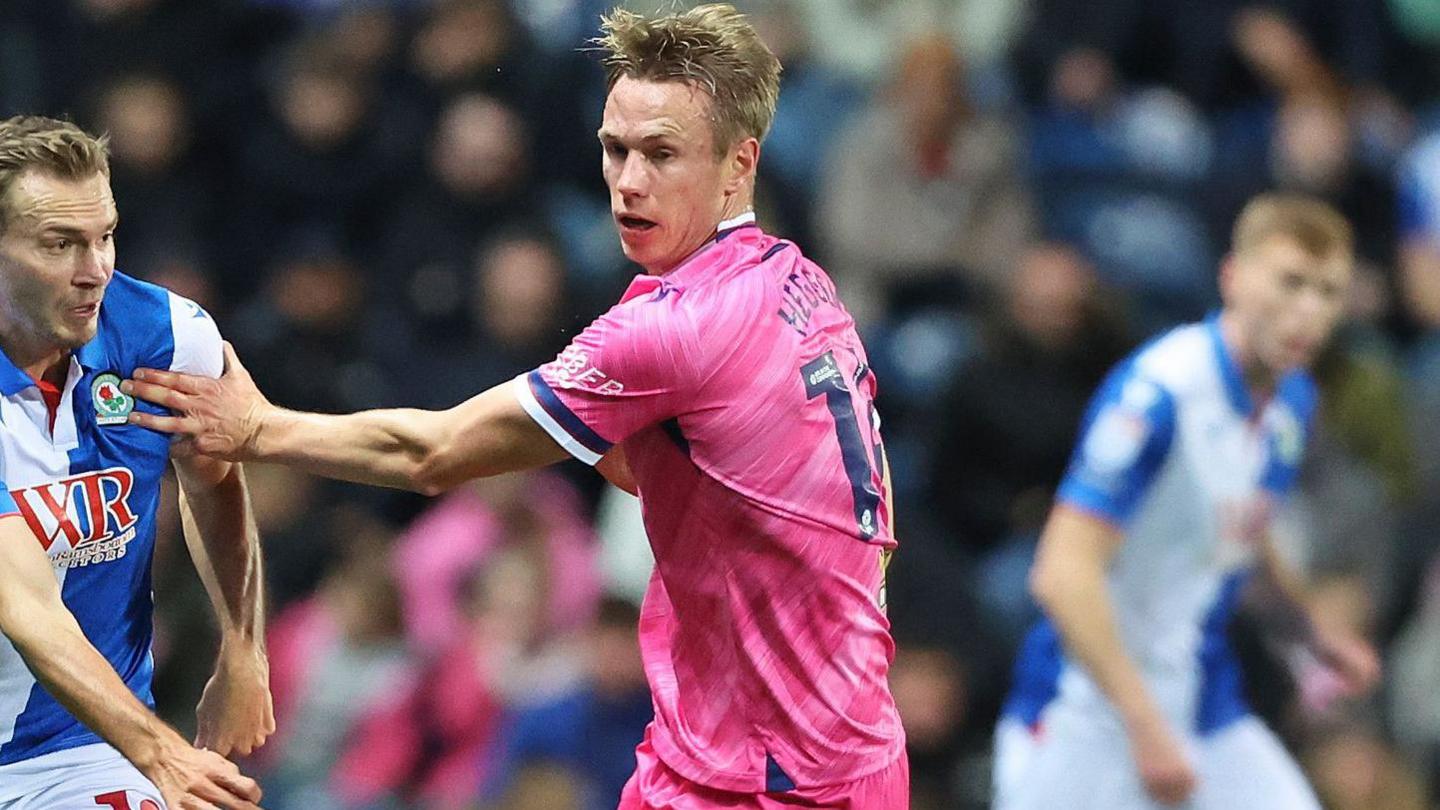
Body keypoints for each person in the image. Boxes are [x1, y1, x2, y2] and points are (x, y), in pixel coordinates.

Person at [123, 5, 909, 808]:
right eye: (616, 150)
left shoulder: (674, 328)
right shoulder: (802, 284)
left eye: (663, 154)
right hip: (841, 743)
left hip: (769, 776)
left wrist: (258, 428)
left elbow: (430, 455)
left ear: (740, 164)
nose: (629, 181)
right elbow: (728, 481)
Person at [992, 194, 1381, 810]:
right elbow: (1061, 574)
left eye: (1328, 291)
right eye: (1290, 282)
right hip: (1086, 713)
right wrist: (1145, 725)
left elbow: (1242, 536)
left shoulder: (1292, 404)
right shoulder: (1159, 394)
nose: (1307, 310)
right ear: (1232, 277)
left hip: (1202, 705)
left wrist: (1309, 632)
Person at [0, 115, 271, 809]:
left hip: (77, 752)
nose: (95, 271)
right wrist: (164, 754)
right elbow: (26, 605)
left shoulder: (164, 335)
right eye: (60, 244)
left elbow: (214, 478)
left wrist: (242, 643)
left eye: (106, 236)